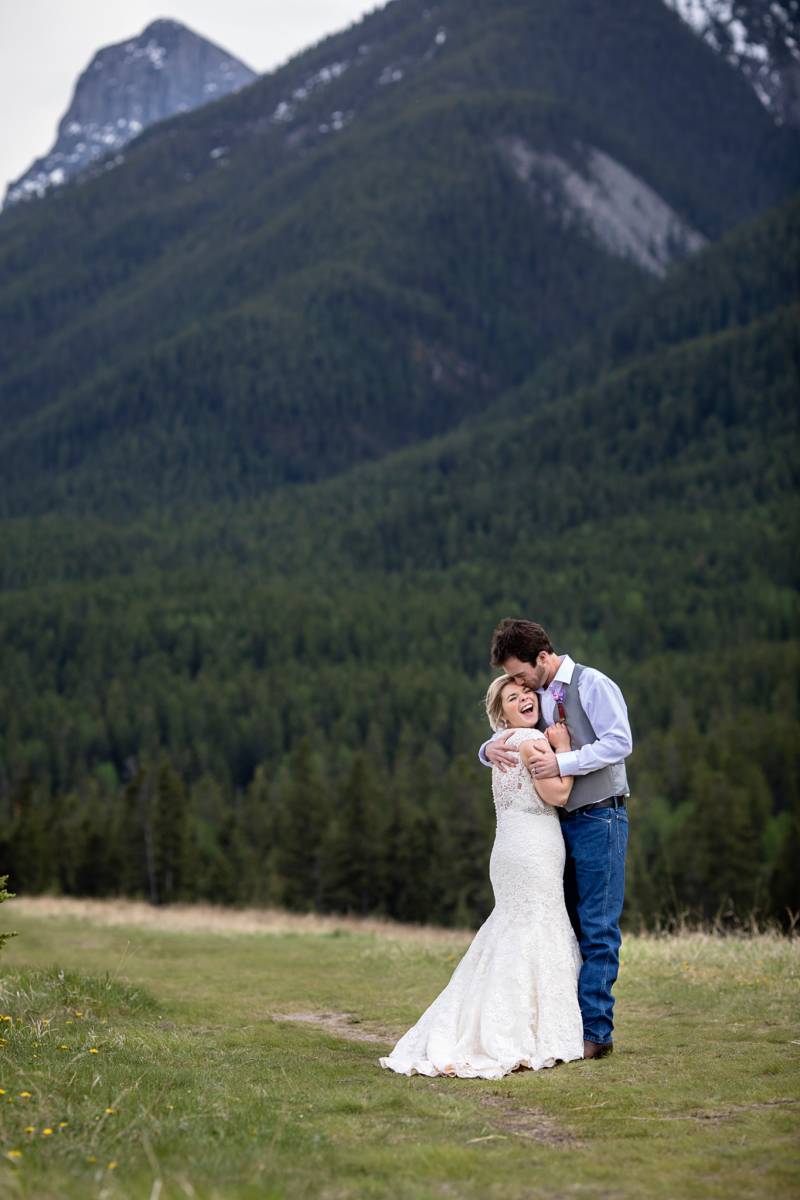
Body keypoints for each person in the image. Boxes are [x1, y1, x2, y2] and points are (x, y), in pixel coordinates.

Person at [379, 675, 584, 1079]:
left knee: (511, 927)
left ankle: (491, 1019)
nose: (525, 698)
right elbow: (557, 795)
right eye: (513, 697)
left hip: (507, 846)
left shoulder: (500, 747)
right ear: (501, 712)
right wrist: (563, 750)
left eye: (526, 692)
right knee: (536, 926)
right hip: (535, 845)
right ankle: (524, 1030)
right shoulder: (532, 742)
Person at [481, 618, 632, 1059]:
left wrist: (567, 761)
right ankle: (562, 1027)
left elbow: (620, 742)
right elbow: (517, 736)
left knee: (598, 929)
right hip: (556, 827)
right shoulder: (538, 697)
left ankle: (596, 1036)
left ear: (543, 659)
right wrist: (486, 749)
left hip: (601, 817)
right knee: (563, 928)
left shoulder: (593, 684)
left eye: (523, 675)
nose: (521, 685)